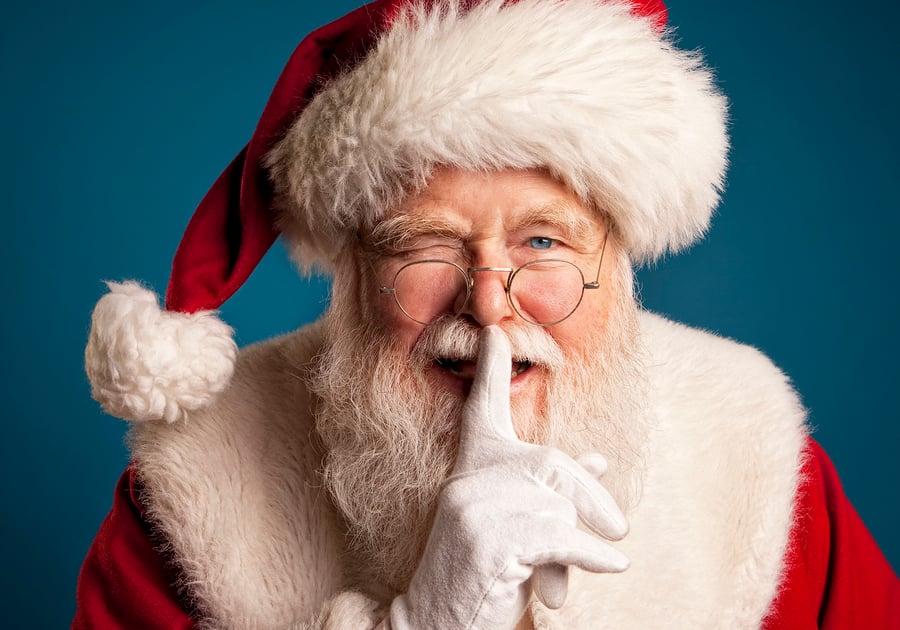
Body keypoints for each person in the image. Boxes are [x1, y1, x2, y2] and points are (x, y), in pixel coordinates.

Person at [73, 0, 899, 628]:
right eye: (425, 245)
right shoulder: (194, 486)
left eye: (544, 241)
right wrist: (429, 616)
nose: (489, 301)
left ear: (615, 261)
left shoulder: (755, 458)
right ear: (355, 273)